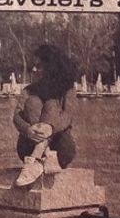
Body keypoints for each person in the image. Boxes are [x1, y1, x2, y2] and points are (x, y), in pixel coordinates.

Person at [12, 44, 77, 186]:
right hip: (28, 145)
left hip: (61, 149)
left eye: (39, 66)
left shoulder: (67, 90)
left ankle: (37, 156)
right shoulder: (29, 90)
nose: (34, 69)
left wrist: (51, 128)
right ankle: (43, 153)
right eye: (34, 66)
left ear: (50, 67)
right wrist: (28, 130)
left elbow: (68, 116)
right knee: (32, 102)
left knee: (51, 104)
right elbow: (16, 116)